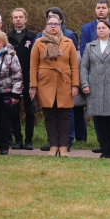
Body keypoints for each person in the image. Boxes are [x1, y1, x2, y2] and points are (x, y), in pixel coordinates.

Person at [30, 16, 79, 157]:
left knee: (64, 116)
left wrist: (75, 85)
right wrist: (33, 86)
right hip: (45, 83)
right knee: (49, 116)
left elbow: (74, 66)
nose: (53, 26)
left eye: (56, 24)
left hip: (64, 83)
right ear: (46, 26)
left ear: (60, 25)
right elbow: (33, 66)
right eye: (50, 24)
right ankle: (53, 146)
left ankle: (63, 147)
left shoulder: (68, 42)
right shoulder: (39, 42)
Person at [80, 20, 110, 159]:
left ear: (109, 30)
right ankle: (104, 147)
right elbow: (84, 67)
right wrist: (85, 84)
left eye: (103, 28)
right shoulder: (90, 47)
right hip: (94, 87)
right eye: (98, 28)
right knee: (100, 119)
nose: (100, 30)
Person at [0, 31, 23, 155]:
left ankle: (3, 146)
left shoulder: (11, 55)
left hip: (5, 92)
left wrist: (15, 94)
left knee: (5, 120)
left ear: (4, 43)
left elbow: (17, 76)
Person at [7, 8, 36, 150]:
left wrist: (34, 82)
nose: (18, 19)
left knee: (30, 111)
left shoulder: (33, 37)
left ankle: (29, 141)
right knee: (13, 112)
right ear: (12, 20)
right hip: (12, 81)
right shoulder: (7, 38)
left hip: (29, 79)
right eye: (15, 17)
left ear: (26, 19)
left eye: (21, 17)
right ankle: (18, 140)